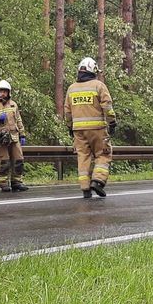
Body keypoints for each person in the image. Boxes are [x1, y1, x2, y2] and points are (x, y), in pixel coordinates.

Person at [64, 57, 116, 198]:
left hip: (78, 131)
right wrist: (112, 122)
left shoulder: (71, 89)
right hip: (97, 129)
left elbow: (67, 112)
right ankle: (98, 181)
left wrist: (70, 126)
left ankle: (85, 188)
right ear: (92, 70)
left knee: (83, 157)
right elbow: (107, 106)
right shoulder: (98, 86)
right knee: (103, 154)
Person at [0, 79, 29, 192]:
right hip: (1, 138)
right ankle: (3, 182)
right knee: (4, 161)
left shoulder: (13, 104)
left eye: (5, 91)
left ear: (9, 92)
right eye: (0, 91)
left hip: (14, 137)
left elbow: (18, 119)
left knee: (18, 159)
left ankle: (17, 182)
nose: (2, 93)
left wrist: (22, 134)